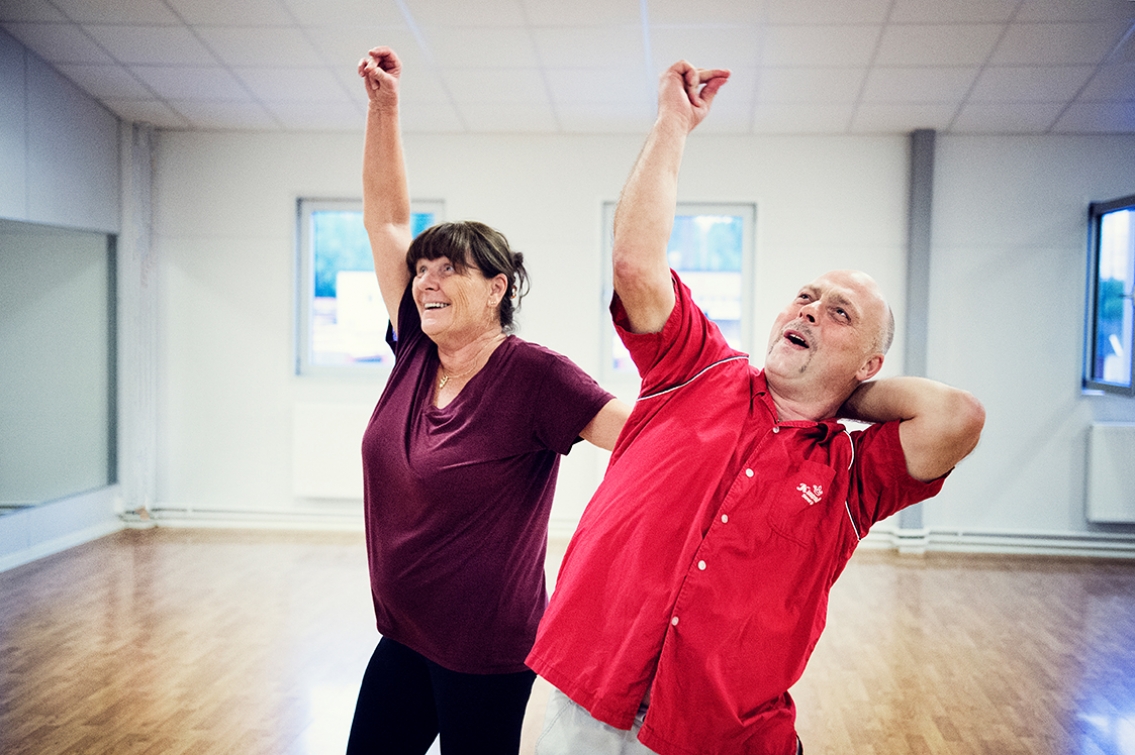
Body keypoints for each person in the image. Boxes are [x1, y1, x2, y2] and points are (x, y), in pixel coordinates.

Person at [526, 60, 986, 755]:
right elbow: (634, 266)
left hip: (720, 734)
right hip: (591, 695)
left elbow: (957, 416)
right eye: (805, 296)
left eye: (839, 313)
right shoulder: (694, 365)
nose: (810, 309)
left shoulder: (853, 475)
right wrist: (673, 123)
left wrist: (835, 395)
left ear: (868, 362)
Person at [348, 46, 631, 755]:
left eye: (449, 270)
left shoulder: (537, 377)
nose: (425, 281)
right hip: (405, 631)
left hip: (485, 648)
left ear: (497, 286)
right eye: (422, 269)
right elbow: (386, 220)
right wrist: (383, 107)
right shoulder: (415, 348)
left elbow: (638, 438)